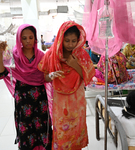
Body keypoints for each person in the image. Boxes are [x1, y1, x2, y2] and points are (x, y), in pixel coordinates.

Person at [38, 21, 95, 150]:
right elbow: (44, 77)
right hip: (60, 101)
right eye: (67, 40)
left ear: (78, 40)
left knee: (76, 128)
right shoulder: (52, 55)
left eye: (73, 41)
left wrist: (74, 64)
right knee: (62, 130)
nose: (70, 44)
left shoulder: (81, 55)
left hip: (77, 100)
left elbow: (88, 77)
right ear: (60, 39)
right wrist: (51, 76)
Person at [0, 24, 52, 150]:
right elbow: (1, 74)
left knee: (42, 128)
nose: (28, 41)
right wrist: (0, 53)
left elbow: (46, 76)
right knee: (26, 129)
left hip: (40, 99)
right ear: (19, 39)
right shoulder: (13, 56)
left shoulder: (42, 56)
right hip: (23, 100)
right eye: (24, 38)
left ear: (35, 39)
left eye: (31, 37)